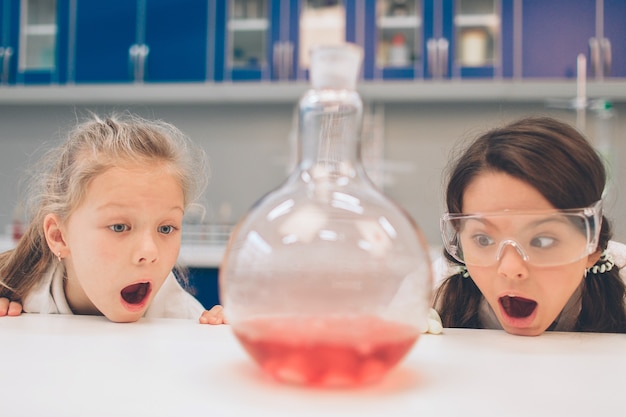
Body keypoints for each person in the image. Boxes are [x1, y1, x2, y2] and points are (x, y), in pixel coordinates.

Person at [0, 113, 225, 325]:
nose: (149, 253)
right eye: (119, 227)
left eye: (166, 229)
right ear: (59, 236)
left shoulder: (180, 314)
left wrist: (225, 331)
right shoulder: (22, 303)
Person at [434, 116, 626, 336]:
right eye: (483, 240)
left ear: (593, 247)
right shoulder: (432, 292)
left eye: (542, 241)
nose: (510, 269)